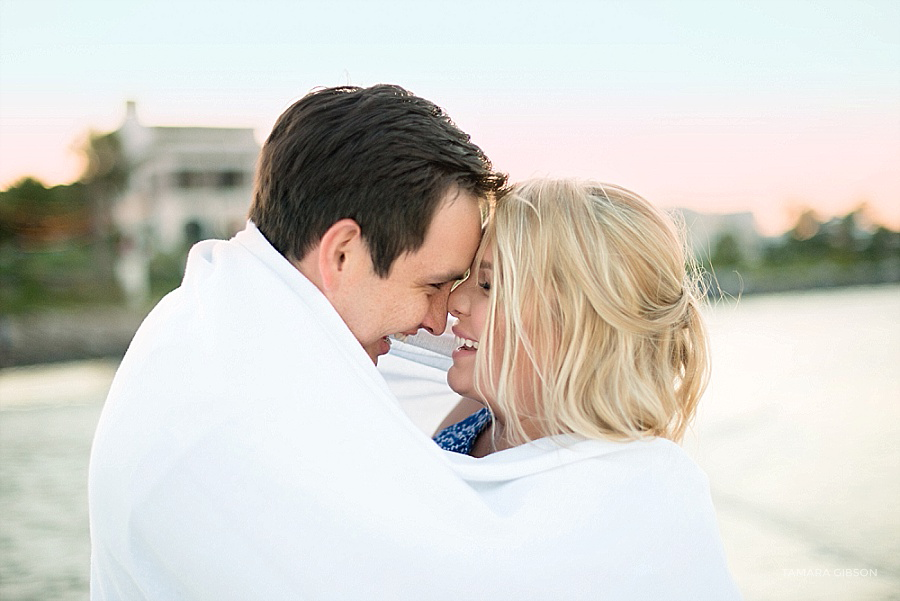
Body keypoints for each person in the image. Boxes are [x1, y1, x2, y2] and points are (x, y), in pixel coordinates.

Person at [88, 84, 510, 599]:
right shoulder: (245, 415)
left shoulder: (228, 316)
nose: (440, 321)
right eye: (431, 286)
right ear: (342, 255)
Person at [431, 178, 742, 596]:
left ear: (576, 320)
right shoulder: (477, 415)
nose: (454, 301)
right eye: (466, 278)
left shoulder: (640, 492)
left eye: (488, 285)